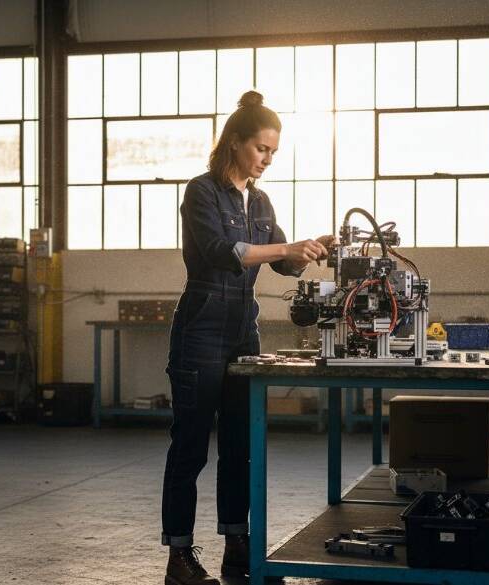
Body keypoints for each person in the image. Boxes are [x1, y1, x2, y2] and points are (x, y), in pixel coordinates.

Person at [162, 90, 334, 585]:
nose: (267, 160)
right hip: (200, 329)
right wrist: (286, 246)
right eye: (262, 149)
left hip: (243, 331)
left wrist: (310, 250)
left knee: (239, 444)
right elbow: (221, 250)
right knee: (191, 447)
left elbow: (280, 260)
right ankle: (179, 556)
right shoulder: (202, 192)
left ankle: (238, 543)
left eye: (274, 153)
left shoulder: (259, 200)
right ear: (235, 143)